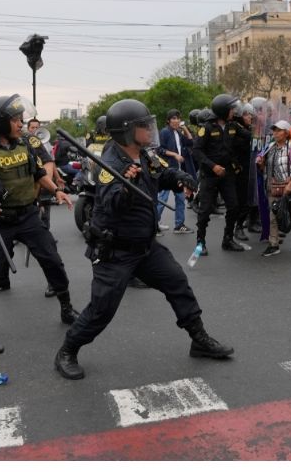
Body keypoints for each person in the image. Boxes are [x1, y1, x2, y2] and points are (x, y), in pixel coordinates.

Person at [54, 99, 232, 380]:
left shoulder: (145, 154)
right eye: (142, 126)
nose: (149, 129)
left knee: (177, 282)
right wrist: (127, 187)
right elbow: (112, 202)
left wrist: (183, 179)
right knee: (101, 310)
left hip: (145, 246)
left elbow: (164, 173)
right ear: (126, 131)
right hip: (115, 251)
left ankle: (199, 340)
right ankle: (67, 350)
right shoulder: (108, 165)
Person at [0, 94, 78, 346]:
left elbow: (39, 172)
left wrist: (56, 190)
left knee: (52, 260)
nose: (21, 124)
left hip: (29, 215)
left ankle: (66, 307)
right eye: (15, 120)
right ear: (0, 123)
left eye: (21, 119)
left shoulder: (27, 143)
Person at [192, 94, 250, 254]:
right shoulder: (207, 127)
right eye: (231, 108)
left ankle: (228, 239)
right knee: (204, 212)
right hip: (209, 176)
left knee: (234, 207)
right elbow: (196, 151)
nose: (233, 111)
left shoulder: (233, 125)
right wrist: (213, 166)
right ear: (223, 110)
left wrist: (261, 129)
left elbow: (249, 137)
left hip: (227, 174)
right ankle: (200, 243)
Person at [255, 120, 291, 257]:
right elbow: (264, 168)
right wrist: (261, 163)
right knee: (273, 217)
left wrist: (290, 185)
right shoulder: (270, 147)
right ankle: (273, 244)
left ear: (286, 132)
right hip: (273, 188)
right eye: (274, 130)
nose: (275, 133)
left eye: (278, 130)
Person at [156, 109, 195, 235]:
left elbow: (190, 141)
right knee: (163, 198)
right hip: (167, 171)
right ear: (168, 120)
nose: (176, 120)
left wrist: (185, 129)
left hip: (178, 171)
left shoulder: (178, 132)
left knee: (180, 197)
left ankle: (179, 225)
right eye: (173, 118)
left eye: (178, 118)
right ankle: (154, 224)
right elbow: (159, 150)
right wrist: (174, 155)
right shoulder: (165, 132)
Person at [232, 103, 257, 240]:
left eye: (250, 114)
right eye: (246, 114)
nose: (250, 117)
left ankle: (251, 222)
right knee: (241, 200)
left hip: (252, 170)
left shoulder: (249, 129)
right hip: (241, 172)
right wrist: (237, 167)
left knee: (250, 199)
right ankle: (238, 227)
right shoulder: (237, 131)